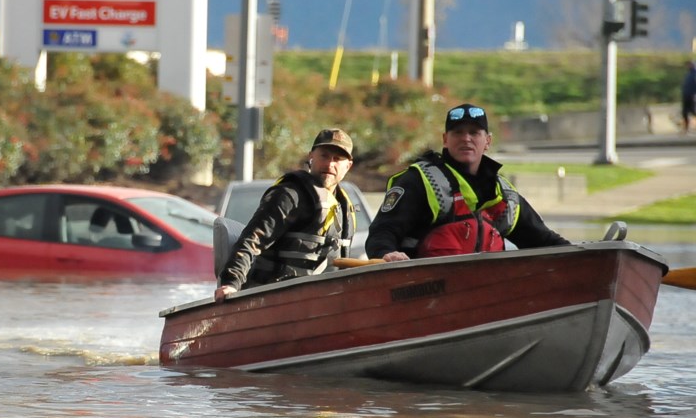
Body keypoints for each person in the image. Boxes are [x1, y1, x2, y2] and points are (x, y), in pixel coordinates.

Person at [365, 103, 570, 262]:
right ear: (445, 139)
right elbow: (382, 232)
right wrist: (387, 253)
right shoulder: (418, 181)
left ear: (487, 141)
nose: (466, 139)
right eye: (458, 132)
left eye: (474, 132)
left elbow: (543, 241)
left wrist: (584, 255)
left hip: (487, 289)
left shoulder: (504, 194)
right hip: (423, 289)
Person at [214, 128, 357, 303]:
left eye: (337, 159)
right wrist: (231, 283)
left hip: (320, 302)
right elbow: (251, 240)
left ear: (348, 165)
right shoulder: (289, 196)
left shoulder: (344, 206)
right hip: (275, 298)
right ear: (311, 156)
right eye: (324, 156)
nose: (329, 164)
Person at [681, 61, 696, 134]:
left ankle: (686, 128)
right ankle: (686, 128)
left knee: (693, 111)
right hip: (686, 95)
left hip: (691, 95)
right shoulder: (689, 74)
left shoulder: (694, 74)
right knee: (685, 112)